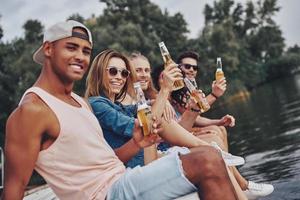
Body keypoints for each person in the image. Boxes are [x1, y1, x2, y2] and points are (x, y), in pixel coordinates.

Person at [2, 20, 238, 200]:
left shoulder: (79, 102)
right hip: (104, 195)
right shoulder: (31, 111)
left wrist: (136, 143)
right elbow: (13, 191)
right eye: (71, 47)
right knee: (207, 159)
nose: (80, 56)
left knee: (209, 154)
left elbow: (107, 160)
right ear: (48, 50)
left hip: (122, 179)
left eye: (86, 50)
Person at [175, 50, 274, 199]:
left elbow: (195, 116)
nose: (191, 70)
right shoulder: (175, 87)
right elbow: (189, 113)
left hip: (183, 129)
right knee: (213, 137)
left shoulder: (186, 88)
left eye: (195, 68)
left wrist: (218, 121)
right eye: (187, 66)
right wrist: (214, 95)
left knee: (219, 128)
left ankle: (232, 179)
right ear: (177, 67)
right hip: (178, 134)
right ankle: (241, 185)